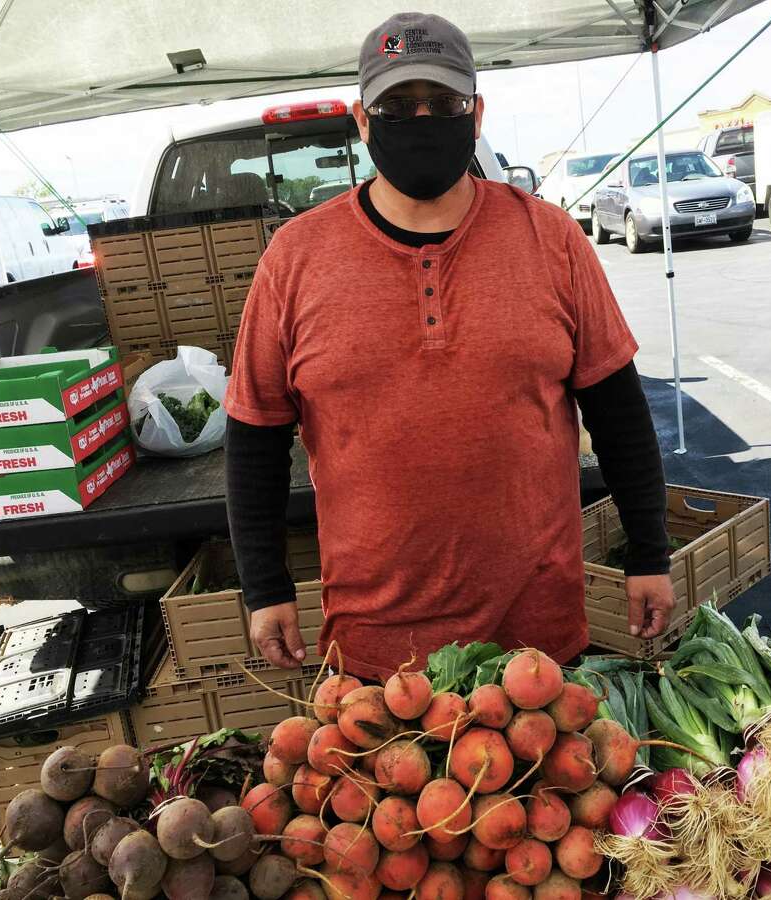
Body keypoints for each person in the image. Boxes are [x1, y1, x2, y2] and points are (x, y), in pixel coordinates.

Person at [224, 12, 673, 681]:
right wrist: (264, 587)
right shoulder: (296, 258)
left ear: (478, 112)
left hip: (538, 639)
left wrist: (649, 555)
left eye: (445, 103)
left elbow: (618, 411)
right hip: (376, 649)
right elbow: (254, 433)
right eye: (398, 106)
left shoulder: (552, 239)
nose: (424, 118)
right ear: (364, 120)